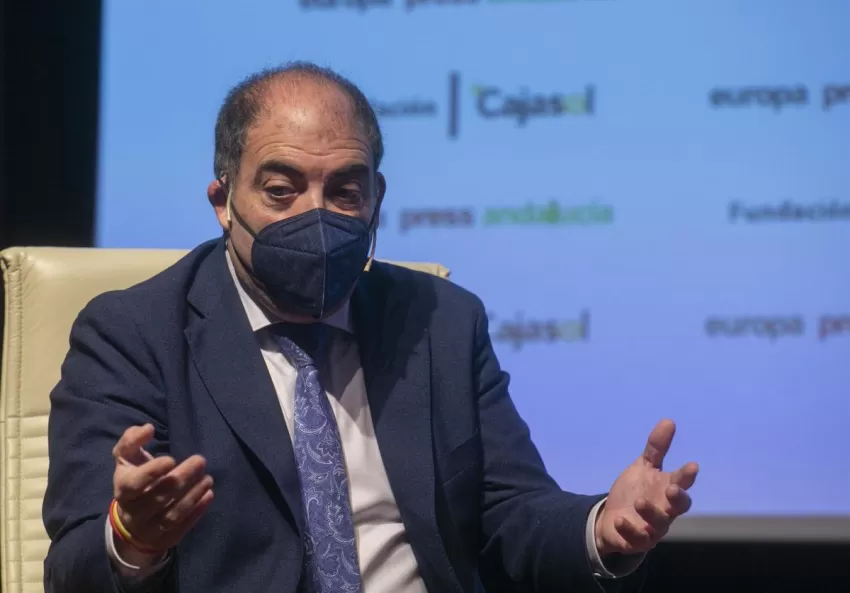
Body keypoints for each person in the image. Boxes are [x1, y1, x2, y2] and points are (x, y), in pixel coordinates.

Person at [43, 62, 699, 593]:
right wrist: (132, 540)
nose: (317, 216)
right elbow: (72, 570)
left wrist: (599, 528)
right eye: (281, 190)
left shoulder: (442, 321)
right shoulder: (133, 333)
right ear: (223, 202)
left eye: (345, 192)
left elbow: (512, 511)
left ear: (377, 198)